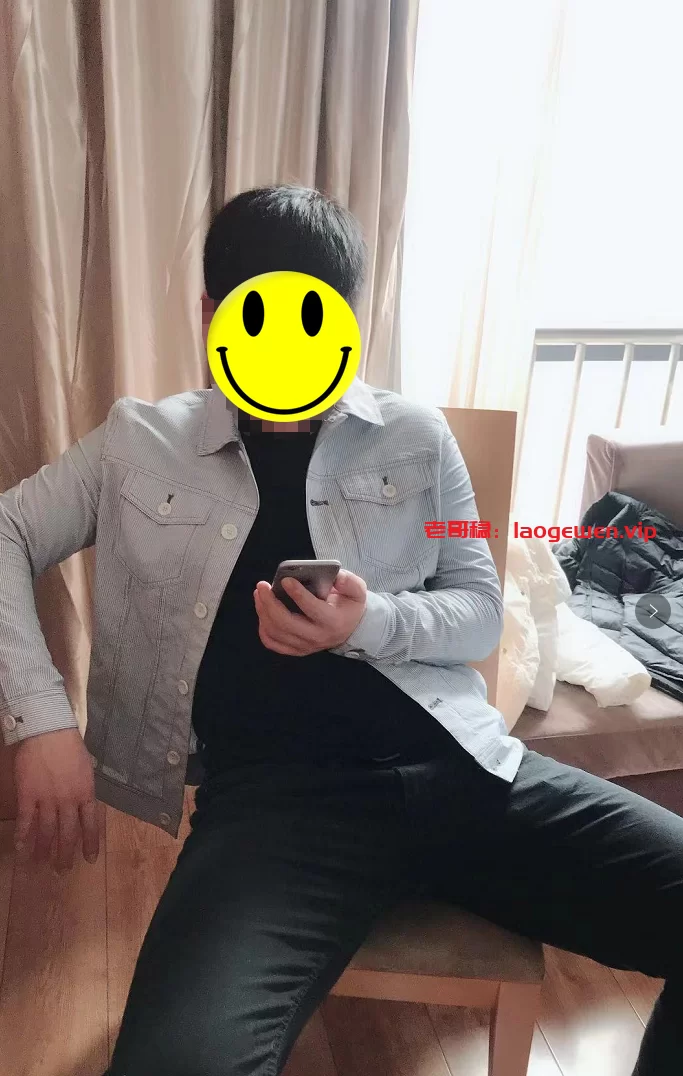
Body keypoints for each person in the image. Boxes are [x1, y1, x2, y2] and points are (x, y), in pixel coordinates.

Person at [1, 185, 681, 1076]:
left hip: (464, 772)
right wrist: (40, 721)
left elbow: (478, 609)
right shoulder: (139, 444)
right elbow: (7, 531)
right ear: (210, 314)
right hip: (278, 812)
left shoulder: (415, 436)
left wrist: (370, 622)